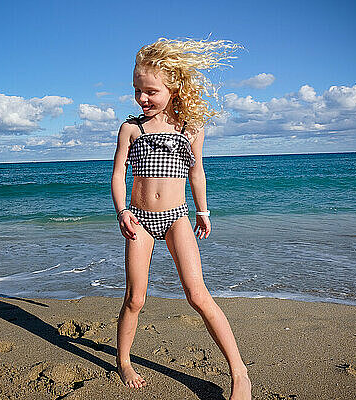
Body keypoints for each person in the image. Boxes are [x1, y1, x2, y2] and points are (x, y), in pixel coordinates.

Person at [110, 37, 252, 399]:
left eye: (151, 91)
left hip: (176, 217)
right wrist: (123, 211)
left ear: (173, 87)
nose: (142, 98)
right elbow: (118, 176)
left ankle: (239, 373)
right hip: (139, 220)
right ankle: (124, 360)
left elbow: (197, 173)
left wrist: (203, 211)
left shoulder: (190, 128)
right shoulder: (132, 129)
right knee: (135, 298)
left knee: (198, 294)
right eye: (137, 90)